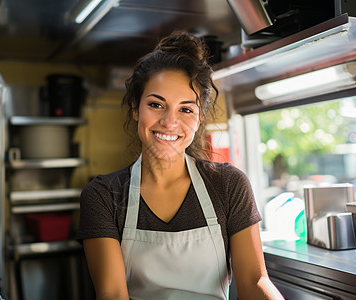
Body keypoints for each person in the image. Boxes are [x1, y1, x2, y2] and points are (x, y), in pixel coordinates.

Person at [77, 31, 284, 300]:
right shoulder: (103, 195)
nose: (169, 122)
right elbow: (112, 293)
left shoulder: (228, 185)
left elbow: (254, 281)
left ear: (199, 119)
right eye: (156, 105)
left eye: (186, 109)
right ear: (136, 108)